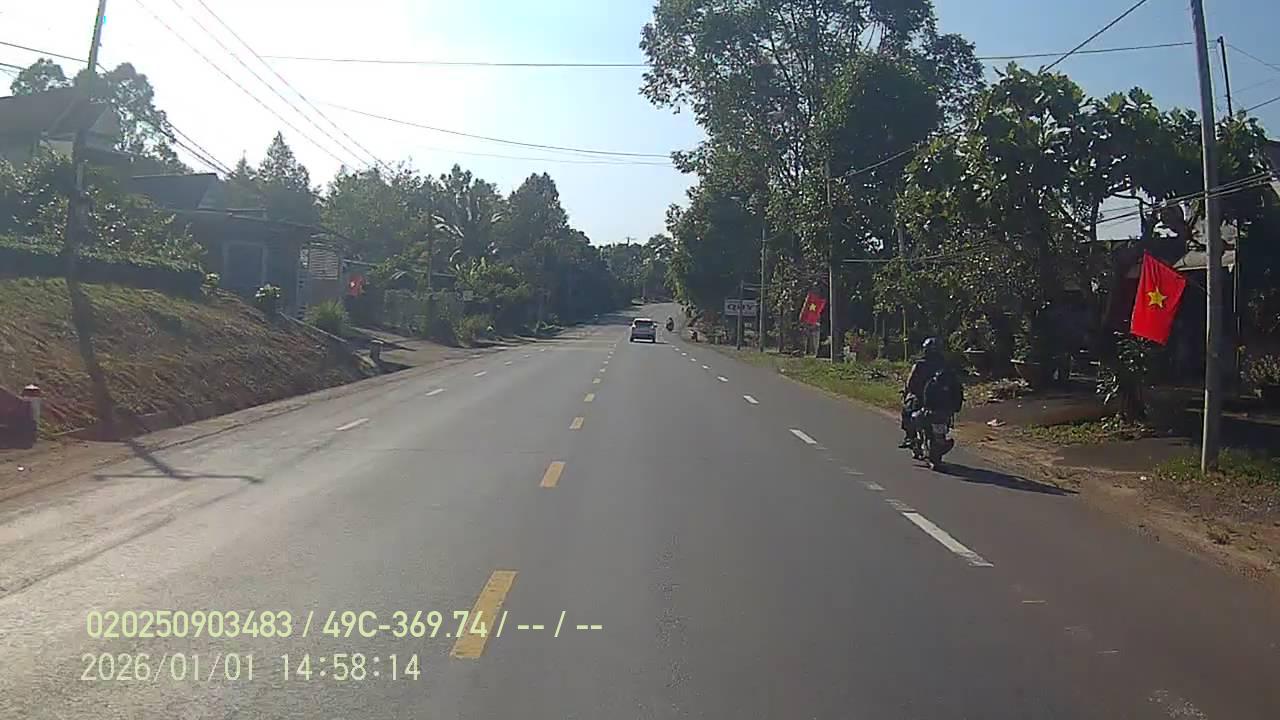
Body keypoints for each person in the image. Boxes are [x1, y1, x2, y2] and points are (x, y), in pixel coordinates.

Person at [899, 337, 949, 448]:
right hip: (942, 401)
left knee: (906, 411)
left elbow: (910, 383)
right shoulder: (945, 365)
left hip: (922, 399)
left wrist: (907, 391)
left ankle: (910, 437)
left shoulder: (920, 365)